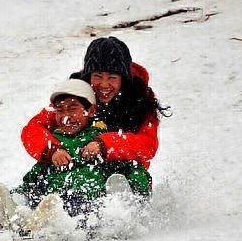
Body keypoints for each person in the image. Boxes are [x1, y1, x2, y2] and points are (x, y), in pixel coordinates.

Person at [0, 79, 151, 233]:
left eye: (73, 108)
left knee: (57, 206)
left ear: (90, 111)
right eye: (60, 110)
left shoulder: (101, 141)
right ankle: (11, 214)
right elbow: (35, 176)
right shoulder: (55, 144)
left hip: (88, 203)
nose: (66, 117)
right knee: (36, 196)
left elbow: (132, 168)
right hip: (52, 196)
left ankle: (43, 224)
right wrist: (20, 193)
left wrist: (138, 192)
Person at [21, 36, 169, 187]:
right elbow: (33, 129)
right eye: (97, 76)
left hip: (124, 171)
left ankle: (122, 199)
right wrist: (51, 151)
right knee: (46, 174)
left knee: (131, 176)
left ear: (123, 79)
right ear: (88, 76)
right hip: (76, 170)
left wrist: (105, 145)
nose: (104, 85)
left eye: (112, 77)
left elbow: (147, 145)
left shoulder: (141, 100)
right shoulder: (77, 95)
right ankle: (27, 200)